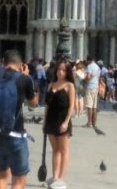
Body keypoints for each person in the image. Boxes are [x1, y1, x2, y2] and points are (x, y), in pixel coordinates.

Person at [0, 49, 37, 189]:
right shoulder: (24, 79)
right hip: (16, 133)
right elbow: (33, 104)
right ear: (21, 64)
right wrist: (26, 77)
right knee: (19, 179)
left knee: (1, 176)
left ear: (3, 61)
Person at [44, 59, 77, 189]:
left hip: (63, 118)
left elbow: (72, 106)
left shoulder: (70, 86)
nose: (60, 72)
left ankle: (62, 178)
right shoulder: (51, 85)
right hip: (51, 119)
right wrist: (44, 121)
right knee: (55, 150)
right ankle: (55, 176)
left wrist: (66, 121)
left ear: (67, 72)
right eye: (59, 69)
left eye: (63, 70)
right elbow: (47, 105)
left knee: (63, 150)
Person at [84, 56, 101, 128]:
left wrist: (84, 79)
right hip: (96, 87)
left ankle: (89, 122)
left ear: (89, 60)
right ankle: (94, 123)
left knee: (89, 106)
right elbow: (99, 78)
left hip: (90, 86)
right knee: (94, 106)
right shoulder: (97, 67)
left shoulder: (89, 66)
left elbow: (88, 77)